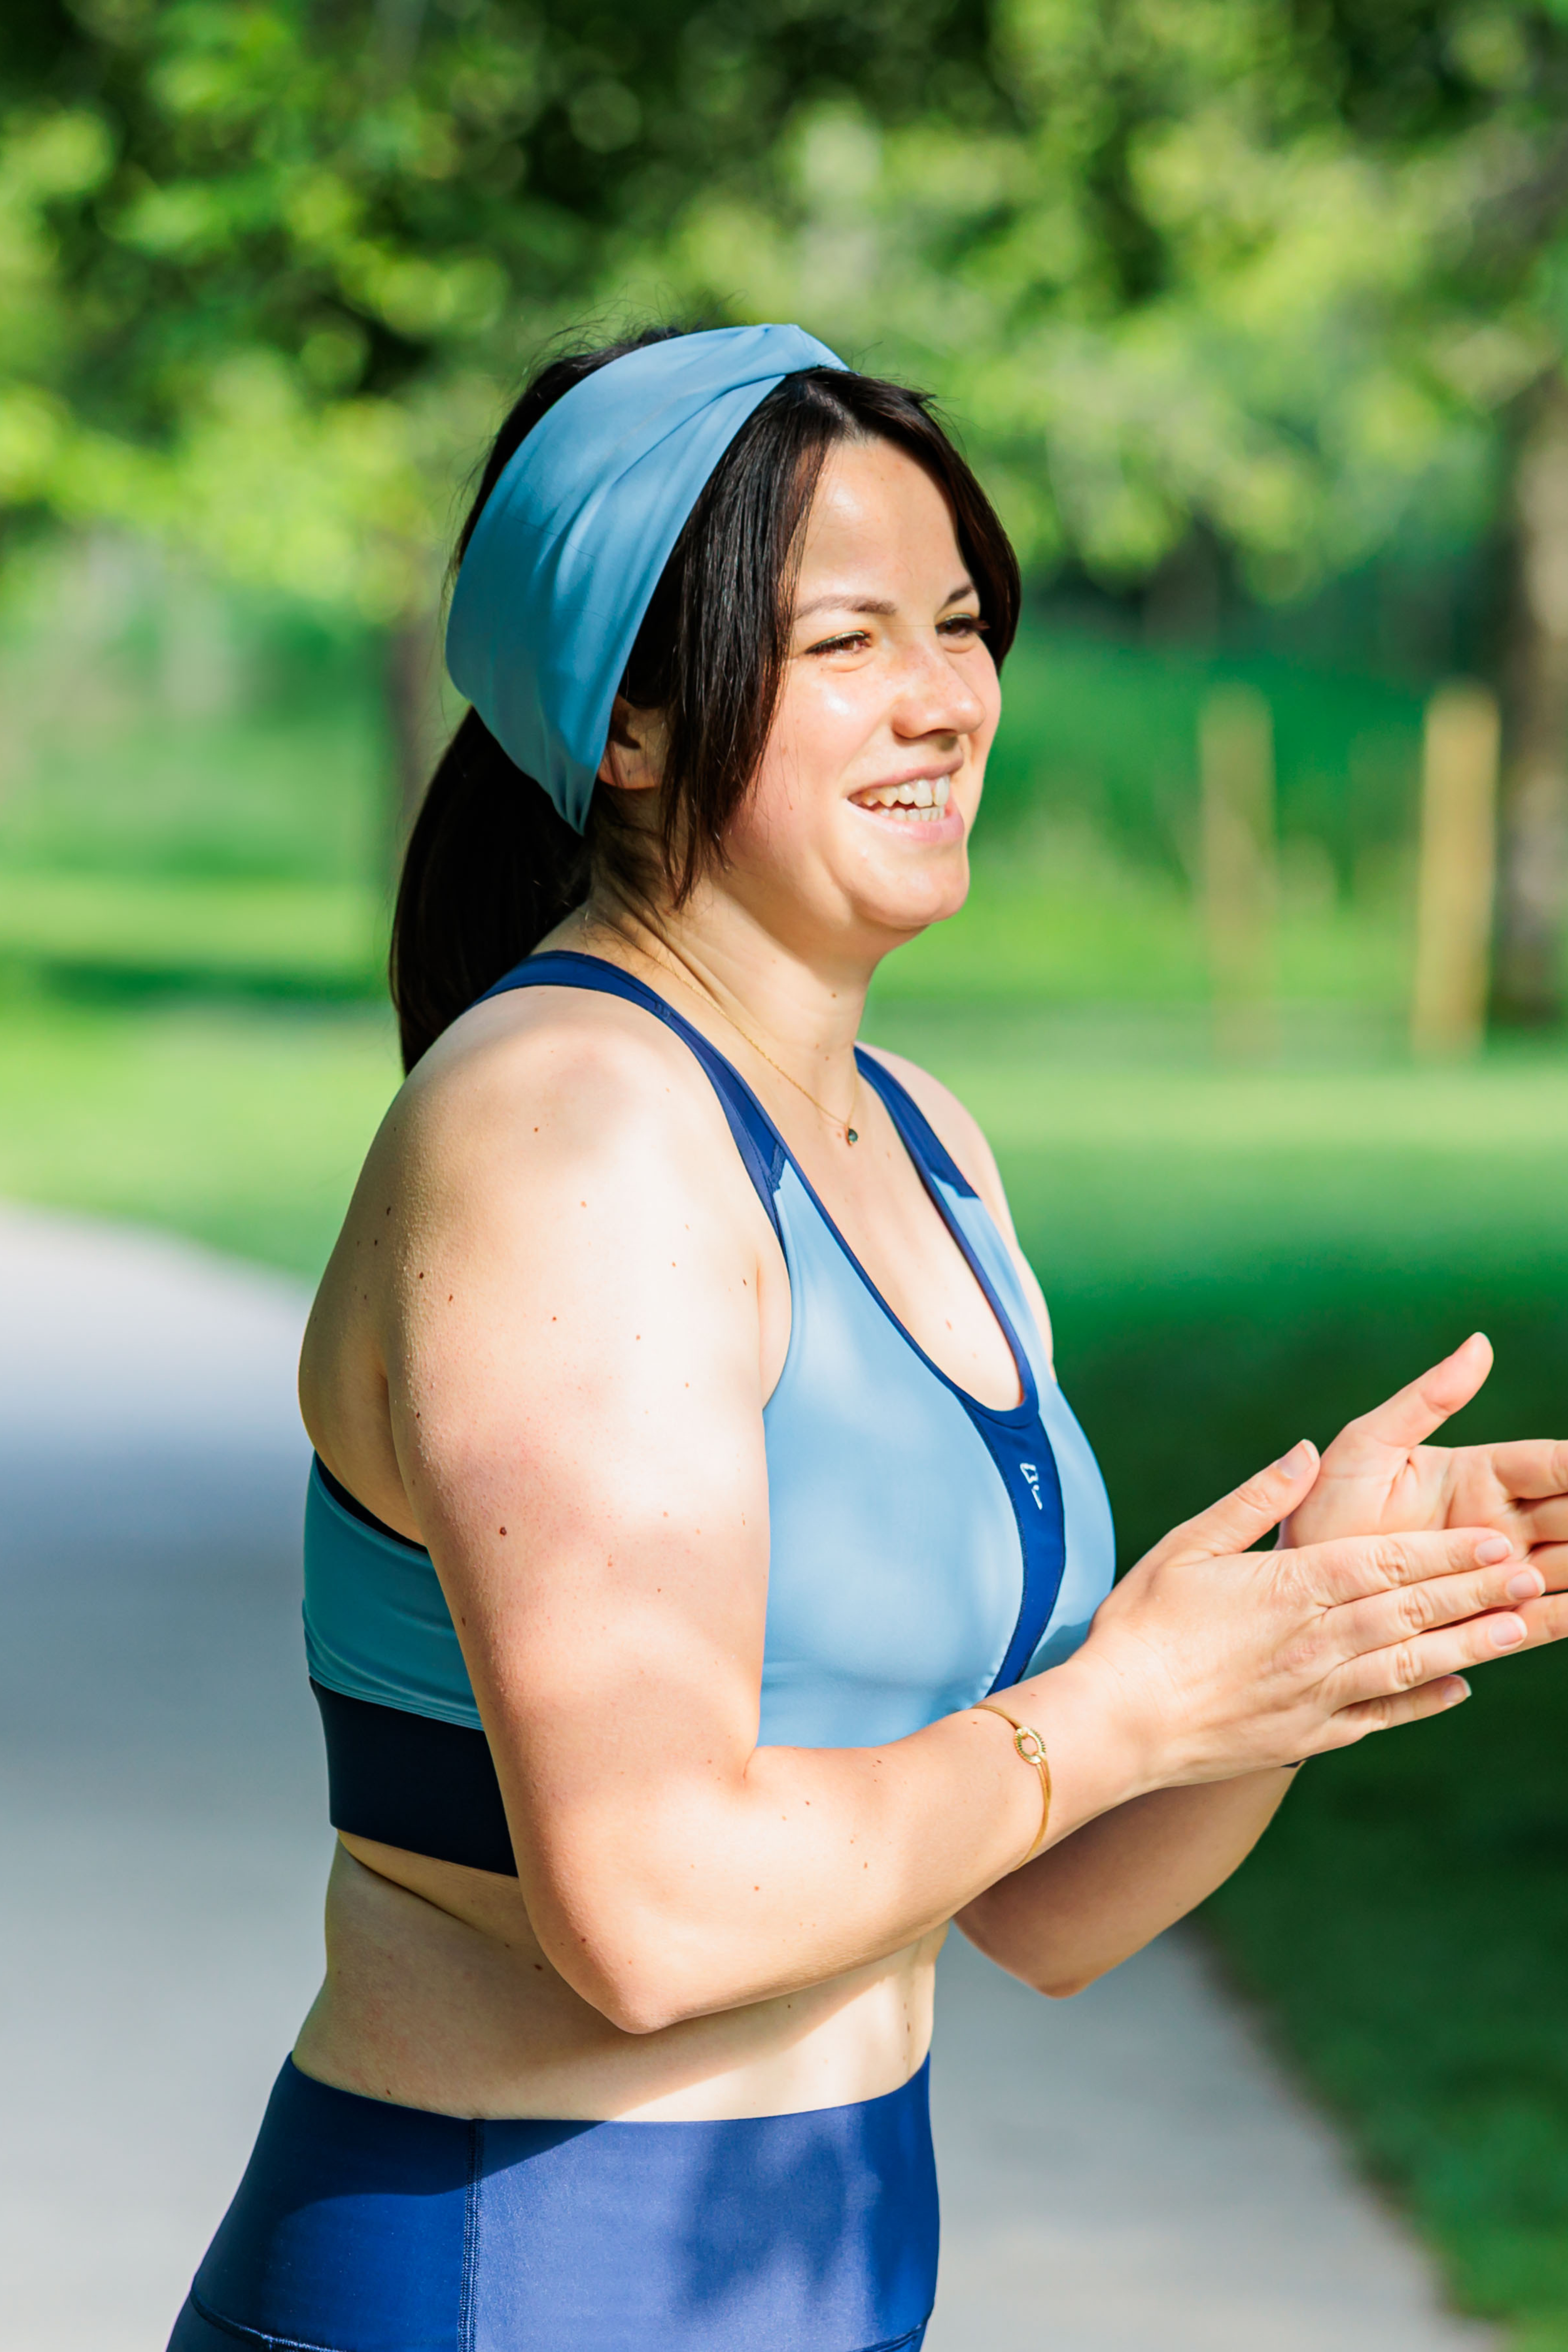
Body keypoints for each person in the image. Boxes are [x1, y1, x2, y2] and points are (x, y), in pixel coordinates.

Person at [168, 325, 1568, 2352]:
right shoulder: (572, 1130)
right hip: (526, 2274)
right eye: (844, 643)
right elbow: (652, 1913)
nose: (942, 697)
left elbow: (1037, 1904)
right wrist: (1123, 1702)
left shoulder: (917, 1139)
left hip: (820, 2263)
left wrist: (1304, 1637)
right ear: (628, 720)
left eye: (957, 622)